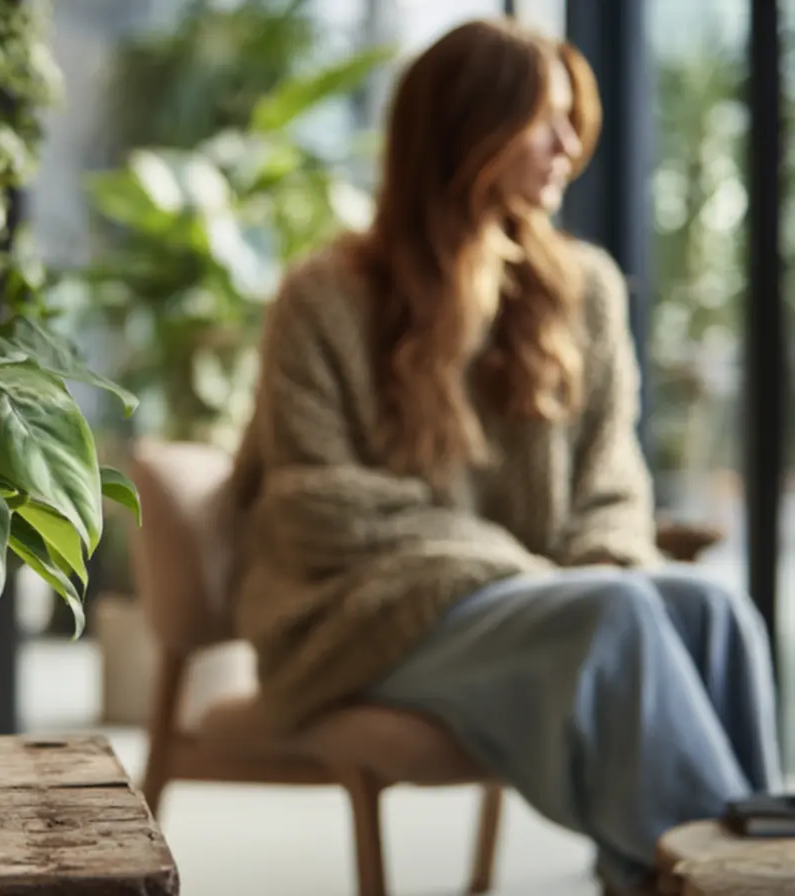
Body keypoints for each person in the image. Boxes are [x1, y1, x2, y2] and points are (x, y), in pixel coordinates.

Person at [225, 17, 782, 895]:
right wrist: (520, 574)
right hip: (359, 617)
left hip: (533, 599)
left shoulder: (584, 290)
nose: (569, 145)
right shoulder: (325, 296)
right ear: (464, 131)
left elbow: (609, 482)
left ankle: (722, 869)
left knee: (709, 612)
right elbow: (311, 502)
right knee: (617, 617)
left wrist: (593, 562)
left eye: (574, 120)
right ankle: (705, 883)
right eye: (542, 120)